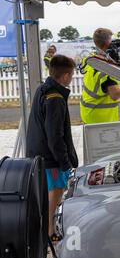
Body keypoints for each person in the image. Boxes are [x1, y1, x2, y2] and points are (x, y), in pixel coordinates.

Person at [26, 55, 79, 241]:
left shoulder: (42, 89)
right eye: (71, 75)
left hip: (38, 153)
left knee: (50, 192)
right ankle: (50, 232)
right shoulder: (55, 98)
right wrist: (65, 163)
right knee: (55, 192)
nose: (71, 78)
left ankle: (48, 228)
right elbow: (55, 136)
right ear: (65, 76)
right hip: (50, 157)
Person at [80, 28, 120, 124]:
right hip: (102, 118)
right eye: (112, 41)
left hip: (88, 113)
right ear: (107, 44)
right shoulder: (105, 69)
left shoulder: (90, 59)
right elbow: (115, 94)